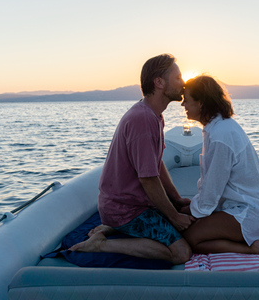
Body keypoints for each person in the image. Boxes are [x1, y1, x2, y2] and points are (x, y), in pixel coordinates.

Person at [70, 54, 195, 265]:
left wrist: (176, 198)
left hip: (134, 204)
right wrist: (173, 217)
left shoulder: (154, 115)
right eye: (178, 77)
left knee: (187, 215)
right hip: (125, 210)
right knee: (181, 253)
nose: (183, 83)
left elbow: (157, 163)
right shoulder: (143, 119)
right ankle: (101, 244)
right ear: (159, 82)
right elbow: (148, 179)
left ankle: (112, 229)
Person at [180, 75, 259, 255]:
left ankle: (251, 249)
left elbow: (212, 191)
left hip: (250, 213)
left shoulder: (221, 135)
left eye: (186, 100)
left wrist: (192, 213)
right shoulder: (218, 127)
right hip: (239, 206)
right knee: (185, 212)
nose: (182, 105)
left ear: (201, 102)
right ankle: (249, 238)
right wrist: (190, 208)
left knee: (190, 238)